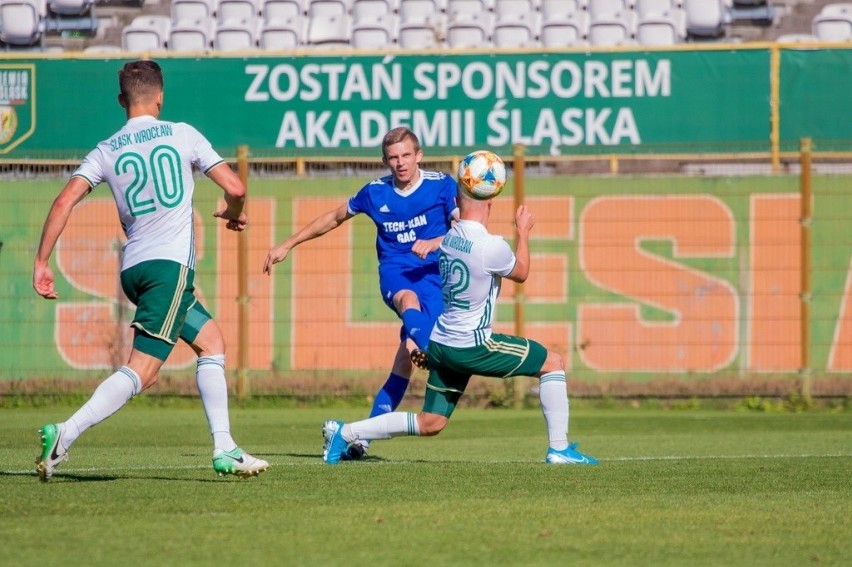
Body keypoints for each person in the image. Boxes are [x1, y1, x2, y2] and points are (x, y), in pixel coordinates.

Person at [32, 60, 269, 481]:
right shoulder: (183, 133)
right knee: (144, 370)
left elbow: (64, 200)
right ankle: (64, 434)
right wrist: (233, 213)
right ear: (160, 96)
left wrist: (41, 261)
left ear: (122, 100)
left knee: (211, 341)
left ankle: (225, 447)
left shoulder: (106, 149)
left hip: (135, 269)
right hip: (169, 268)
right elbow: (236, 188)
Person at [321, 179, 598, 465]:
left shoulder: (448, 240)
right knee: (552, 362)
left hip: (442, 342)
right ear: (490, 204)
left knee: (430, 422)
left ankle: (345, 432)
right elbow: (522, 272)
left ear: (455, 204)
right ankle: (560, 449)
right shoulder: (491, 246)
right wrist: (523, 233)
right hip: (474, 344)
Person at [263, 126, 458, 459]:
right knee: (406, 302)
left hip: (435, 277)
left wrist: (436, 242)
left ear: (419, 156)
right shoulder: (375, 192)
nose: (400, 163)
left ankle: (360, 439)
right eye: (393, 158)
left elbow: (463, 229)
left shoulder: (442, 186)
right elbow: (335, 217)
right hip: (397, 272)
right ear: (385, 160)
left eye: (406, 156)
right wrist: (288, 244)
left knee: (403, 360)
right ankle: (430, 350)